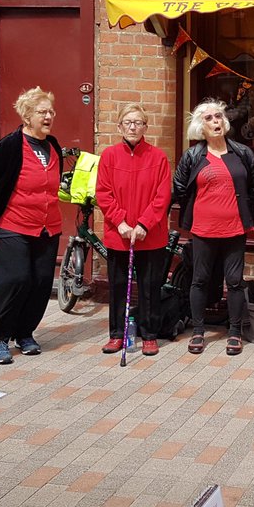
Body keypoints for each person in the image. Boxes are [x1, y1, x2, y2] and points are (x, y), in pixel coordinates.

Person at [0, 88, 64, 365]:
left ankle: (24, 333)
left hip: (48, 226)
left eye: (51, 111)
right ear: (27, 115)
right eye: (42, 112)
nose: (48, 116)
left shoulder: (53, 145)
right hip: (13, 224)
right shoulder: (9, 146)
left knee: (39, 283)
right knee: (13, 280)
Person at [172, 99, 254, 356]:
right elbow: (180, 188)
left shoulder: (242, 153)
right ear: (201, 126)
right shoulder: (192, 156)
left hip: (235, 228)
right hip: (203, 229)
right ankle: (198, 330)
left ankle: (234, 332)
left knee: (234, 282)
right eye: (209, 118)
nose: (215, 122)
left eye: (219, 117)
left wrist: (245, 207)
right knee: (199, 280)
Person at [95, 103, 172, 357]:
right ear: (119, 126)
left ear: (145, 127)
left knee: (150, 285)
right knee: (118, 285)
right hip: (119, 234)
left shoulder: (158, 157)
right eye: (127, 122)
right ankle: (117, 334)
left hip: (150, 235)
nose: (132, 126)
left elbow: (162, 196)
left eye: (138, 122)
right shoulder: (109, 156)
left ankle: (150, 335)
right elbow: (103, 194)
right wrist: (121, 223)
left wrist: (143, 224)